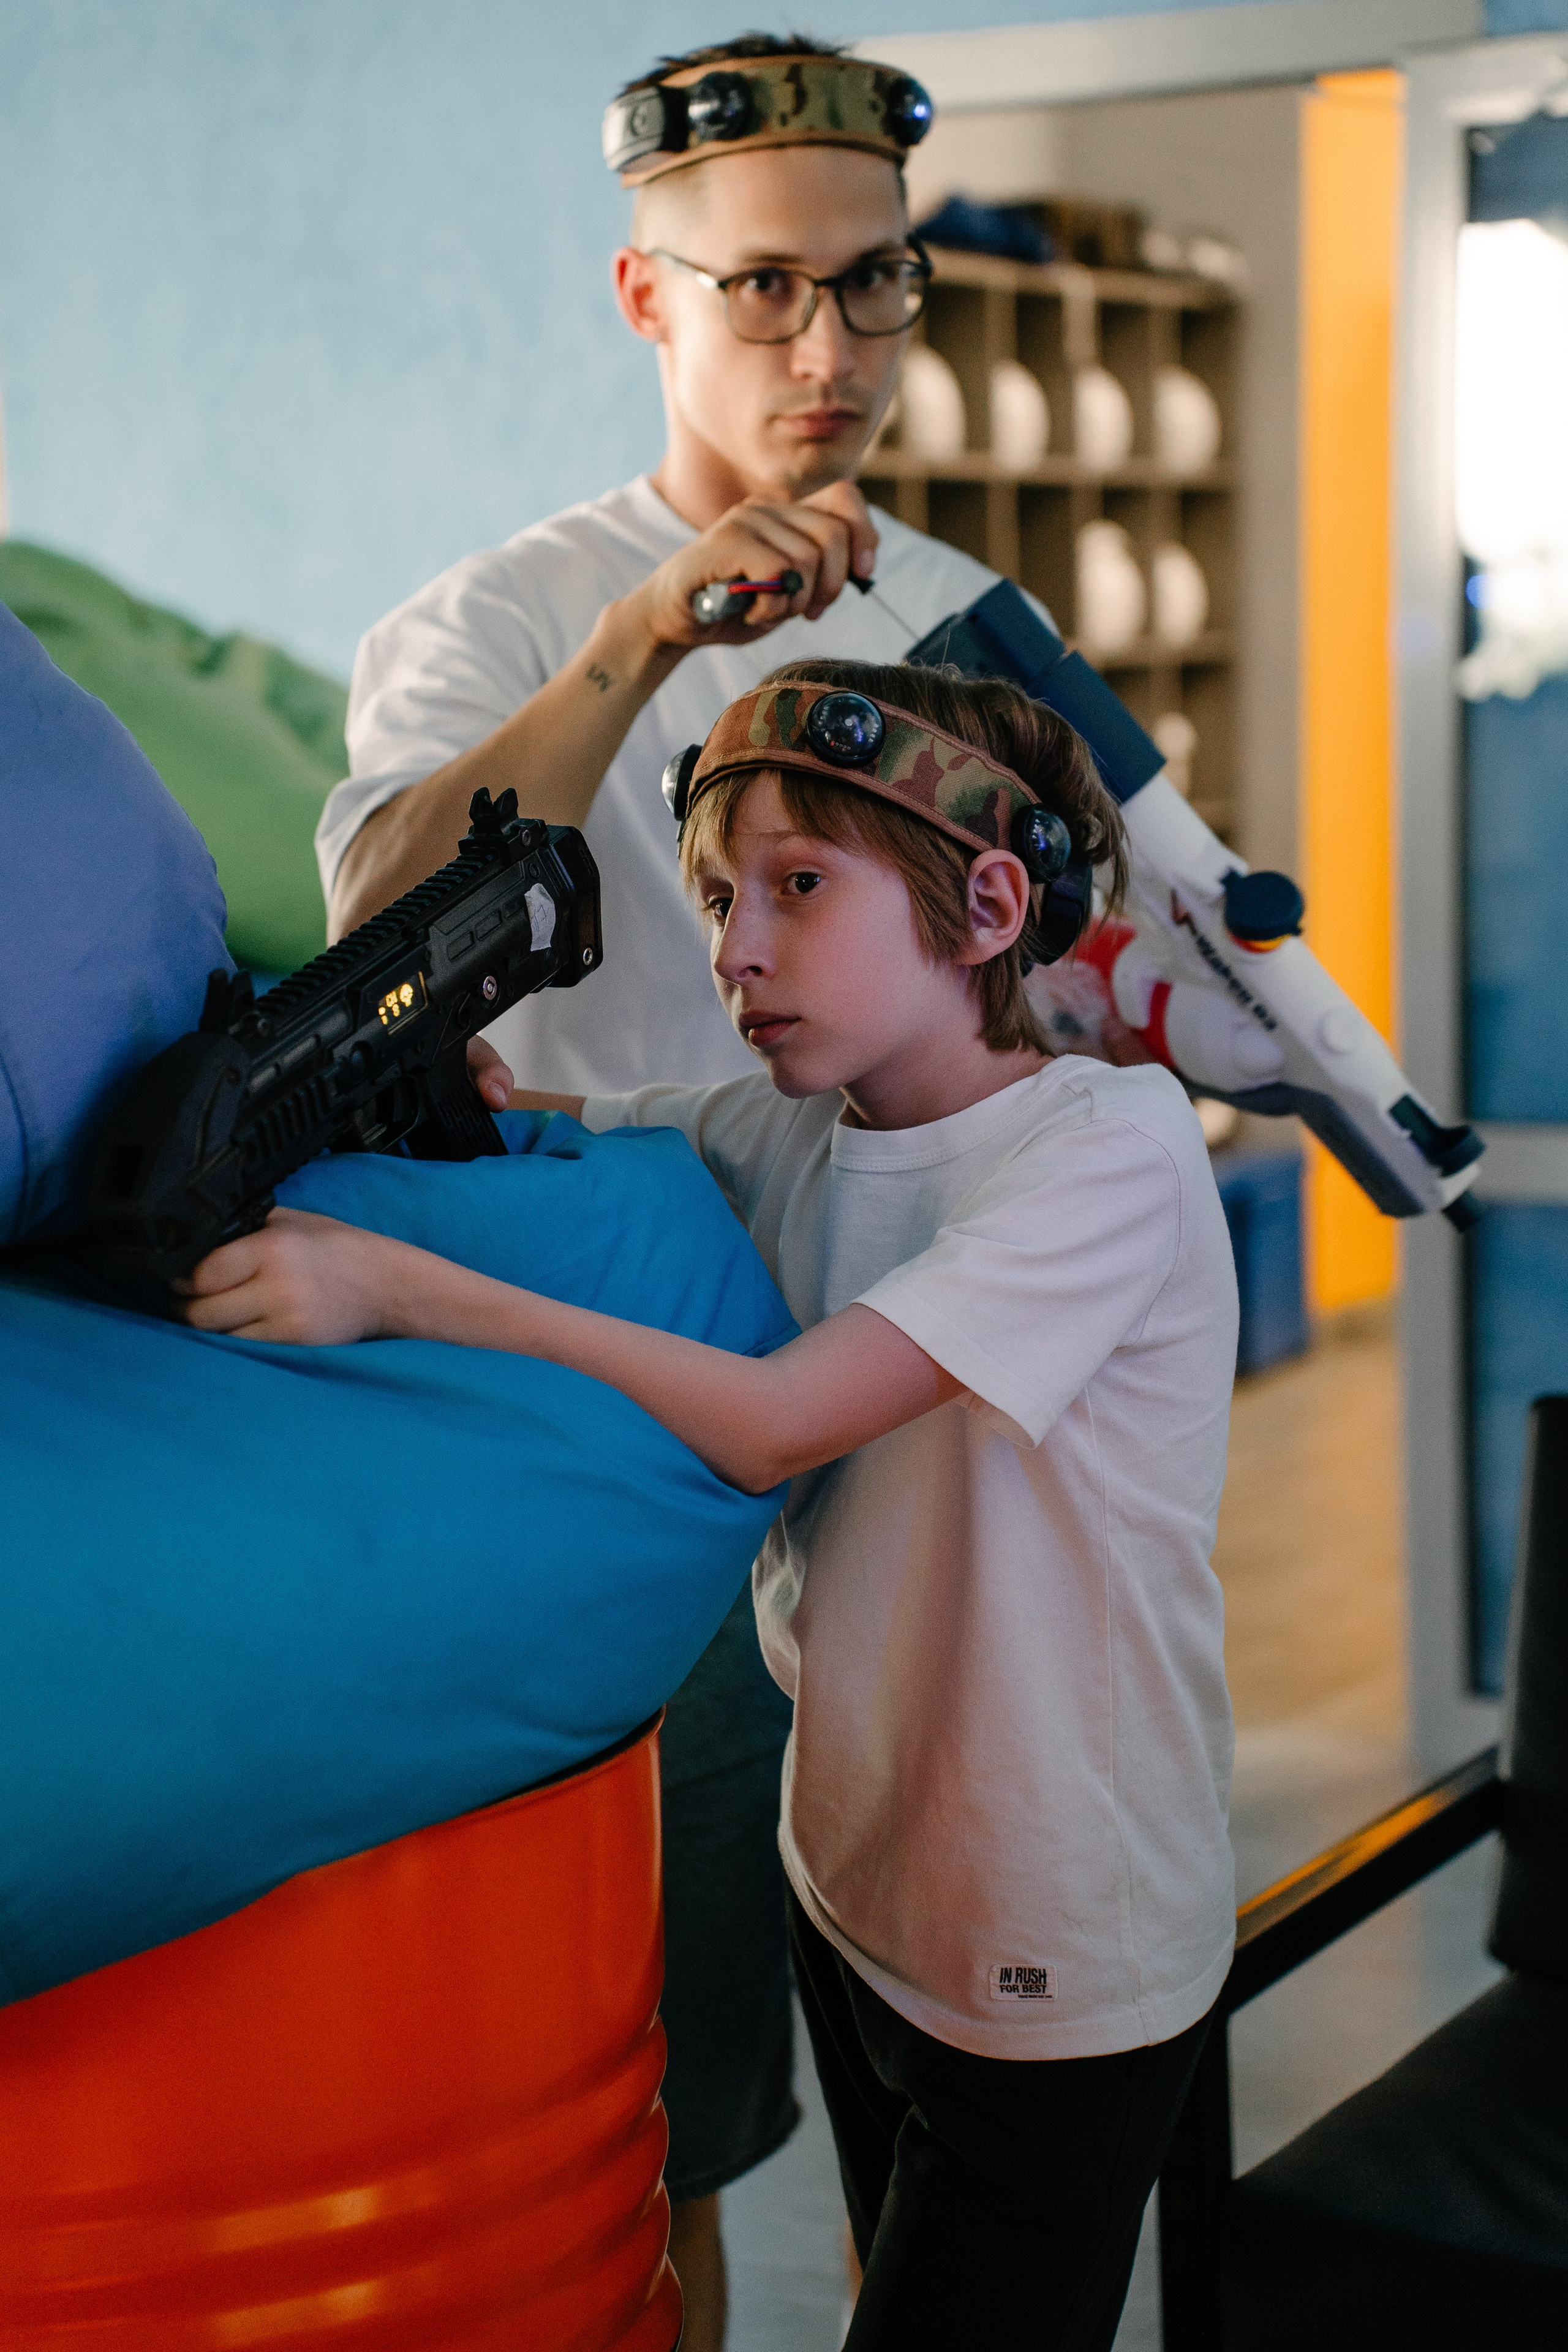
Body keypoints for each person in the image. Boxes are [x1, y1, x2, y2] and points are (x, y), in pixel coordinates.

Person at [190, 660, 1239, 2350]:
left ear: (986, 907)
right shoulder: (789, 1132)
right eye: (717, 901)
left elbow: (774, 1426)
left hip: (1057, 1927)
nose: (735, 951)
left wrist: (389, 1285)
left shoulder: (1108, 1154)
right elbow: (560, 1137)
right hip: (862, 1884)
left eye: (797, 888)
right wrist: (432, 1095)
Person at [311, 34, 1026, 2340]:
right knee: (661, 2101)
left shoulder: (956, 616)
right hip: (636, 1394)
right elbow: (376, 928)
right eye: (765, 290)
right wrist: (646, 643)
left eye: (877, 284)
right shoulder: (508, 615)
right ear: (647, 296)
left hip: (920, 1359)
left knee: (951, 2010)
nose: (832, 347)